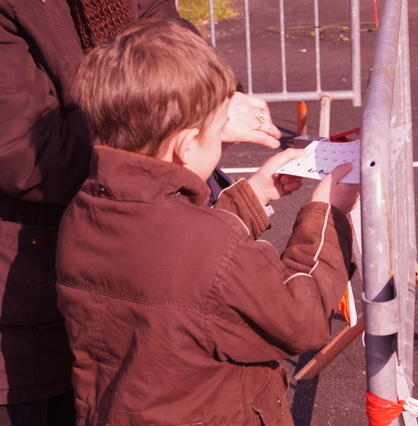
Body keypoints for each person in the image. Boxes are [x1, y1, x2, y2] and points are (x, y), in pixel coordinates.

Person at [55, 20, 358, 425]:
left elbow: (176, 265)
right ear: (185, 146)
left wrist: (253, 196)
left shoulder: (85, 211)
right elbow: (299, 319)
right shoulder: (209, 245)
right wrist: (326, 214)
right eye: (217, 133)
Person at [0, 0, 281, 423]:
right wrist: (323, 220)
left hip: (120, 293)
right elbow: (23, 151)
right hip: (25, 309)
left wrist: (213, 99)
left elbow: (168, 37)